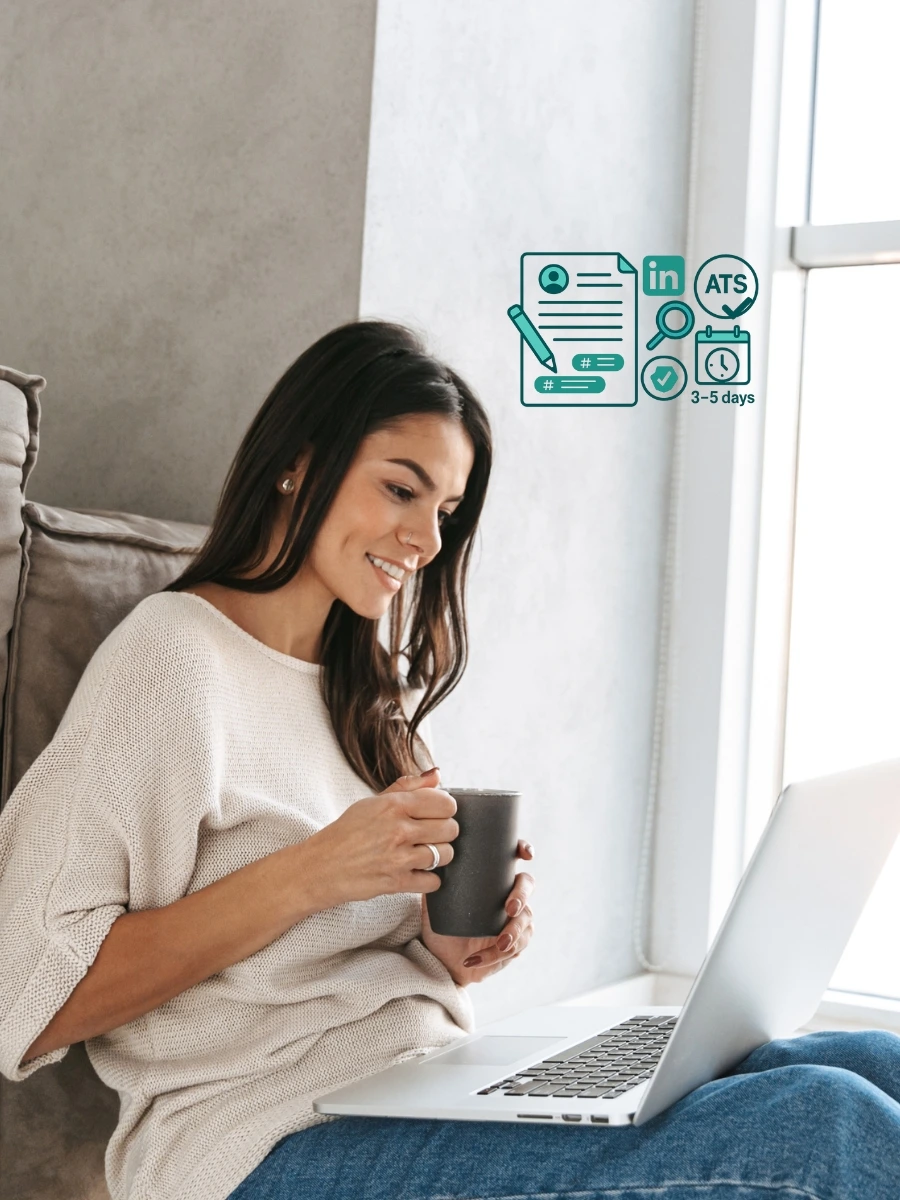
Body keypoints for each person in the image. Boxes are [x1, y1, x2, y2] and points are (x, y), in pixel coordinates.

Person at [0, 320, 898, 1200]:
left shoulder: (364, 689)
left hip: (423, 1081)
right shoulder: (172, 661)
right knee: (823, 1122)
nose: (427, 540)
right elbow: (31, 993)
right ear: (298, 463)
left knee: (872, 1060)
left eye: (447, 511)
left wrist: (452, 940)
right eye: (401, 490)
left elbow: (367, 953)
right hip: (257, 1142)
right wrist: (313, 873)